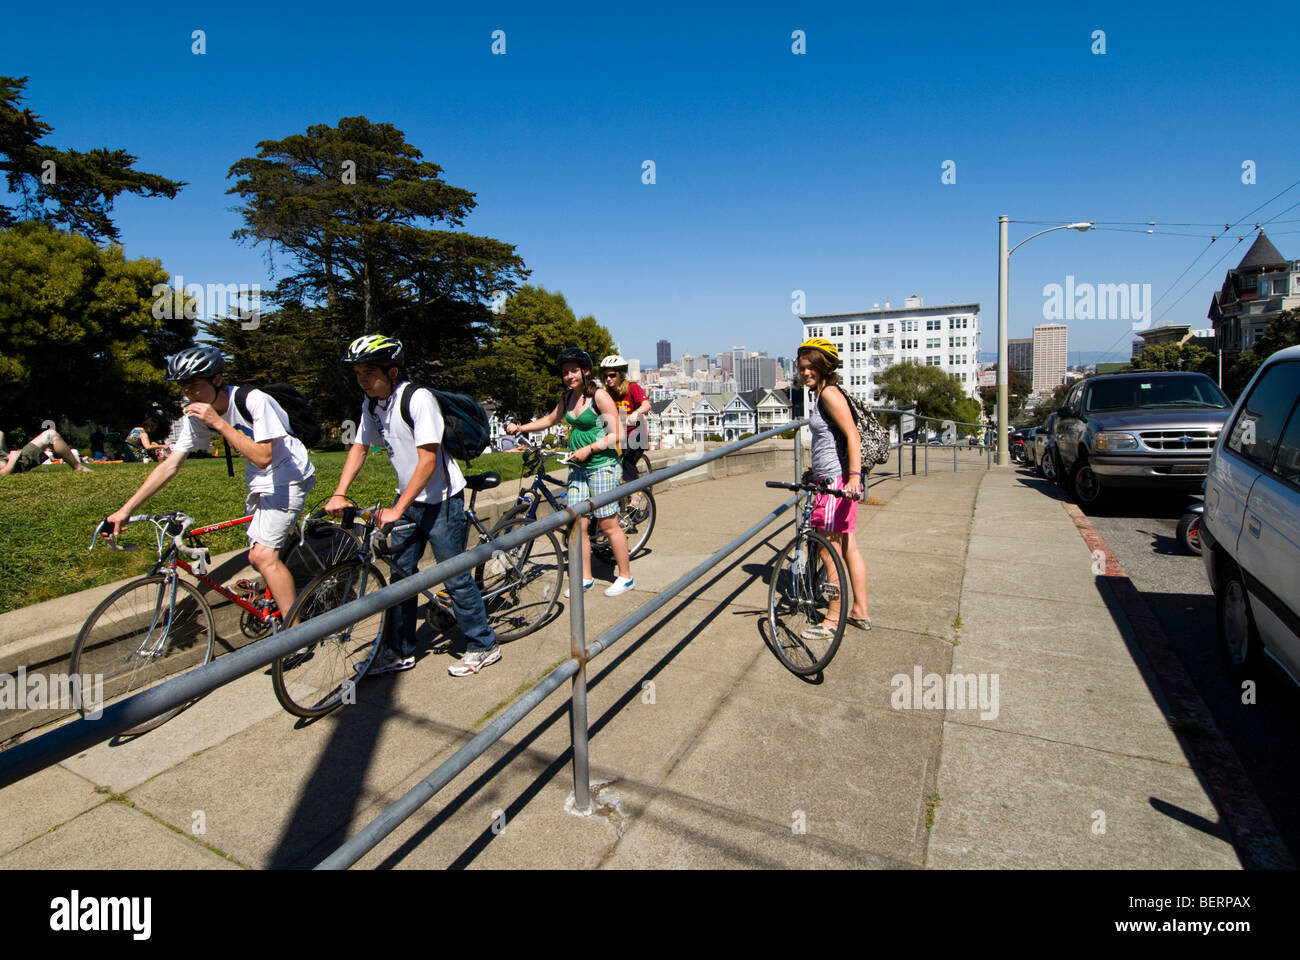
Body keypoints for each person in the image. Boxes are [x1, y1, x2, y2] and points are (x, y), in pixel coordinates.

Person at [327, 335, 501, 677]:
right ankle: (399, 651)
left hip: (441, 500)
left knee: (454, 576)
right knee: (401, 578)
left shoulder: (418, 399)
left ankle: (483, 644)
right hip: (406, 499)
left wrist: (395, 509)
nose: (361, 379)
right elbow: (360, 448)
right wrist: (339, 492)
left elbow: (427, 460)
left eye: (369, 372)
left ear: (392, 371)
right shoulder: (372, 405)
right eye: (358, 372)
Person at [106, 345, 315, 624]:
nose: (189, 394)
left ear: (217, 380)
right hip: (258, 480)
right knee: (257, 554)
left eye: (194, 385)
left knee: (263, 556)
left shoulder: (253, 400)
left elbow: (263, 457)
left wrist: (219, 423)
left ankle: (297, 636)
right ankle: (274, 594)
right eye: (184, 387)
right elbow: (170, 465)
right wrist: (125, 510)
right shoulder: (196, 415)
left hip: (289, 476)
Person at [506, 348, 634, 597]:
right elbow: (550, 419)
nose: (569, 376)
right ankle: (585, 577)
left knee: (608, 525)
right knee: (577, 524)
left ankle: (625, 576)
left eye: (574, 370)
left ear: (585, 371)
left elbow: (618, 433)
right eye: (565, 372)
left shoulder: (600, 397)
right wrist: (521, 427)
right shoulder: (568, 398)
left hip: (602, 466)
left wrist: (590, 448)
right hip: (577, 467)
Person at [796, 337, 870, 637]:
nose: (804, 373)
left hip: (836, 484)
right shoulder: (824, 394)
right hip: (832, 479)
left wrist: (853, 477)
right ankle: (859, 610)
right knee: (849, 546)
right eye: (801, 368)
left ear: (824, 366)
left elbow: (853, 435)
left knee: (829, 552)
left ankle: (832, 618)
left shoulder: (828, 394)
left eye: (810, 367)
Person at [599, 354, 651, 482]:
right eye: (605, 376)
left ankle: (635, 497)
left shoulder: (632, 387)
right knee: (606, 460)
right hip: (619, 433)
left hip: (637, 431)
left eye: (612, 375)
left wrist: (635, 413)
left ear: (621, 374)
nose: (608, 379)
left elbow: (646, 405)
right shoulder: (606, 392)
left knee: (628, 462)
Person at [0, 426, 92, 475]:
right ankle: (78, 468)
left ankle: (78, 467)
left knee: (51, 434)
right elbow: (3, 474)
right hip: (14, 465)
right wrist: (12, 459)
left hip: (11, 459)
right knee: (51, 435)